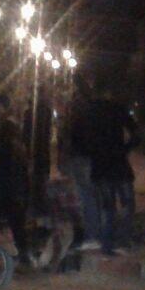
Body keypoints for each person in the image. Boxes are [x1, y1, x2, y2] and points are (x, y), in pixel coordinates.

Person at [86, 80, 140, 256]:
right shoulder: (117, 109)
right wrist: (125, 148)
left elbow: (82, 140)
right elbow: (135, 133)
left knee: (107, 207)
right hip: (118, 163)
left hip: (100, 166)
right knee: (127, 203)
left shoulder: (90, 112)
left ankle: (108, 245)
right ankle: (122, 241)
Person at [0, 94, 29, 264]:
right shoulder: (10, 128)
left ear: (2, 107)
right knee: (13, 217)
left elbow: (4, 154)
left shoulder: (7, 128)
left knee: (14, 217)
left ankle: (21, 252)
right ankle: (20, 251)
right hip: (13, 180)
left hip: (10, 180)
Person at [63, 75, 101, 249]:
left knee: (85, 196)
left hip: (81, 156)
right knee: (86, 196)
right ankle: (90, 234)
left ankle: (90, 236)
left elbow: (75, 132)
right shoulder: (90, 106)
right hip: (85, 155)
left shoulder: (80, 107)